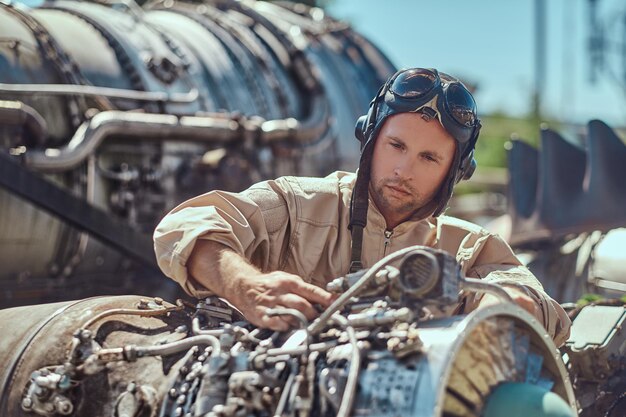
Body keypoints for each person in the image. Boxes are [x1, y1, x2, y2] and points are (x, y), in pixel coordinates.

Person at [154, 67, 571, 346]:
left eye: (429, 159)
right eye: (396, 145)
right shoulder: (298, 202)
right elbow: (186, 225)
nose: (403, 170)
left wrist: (511, 306)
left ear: (454, 172)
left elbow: (539, 307)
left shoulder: (469, 248)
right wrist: (244, 284)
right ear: (370, 138)